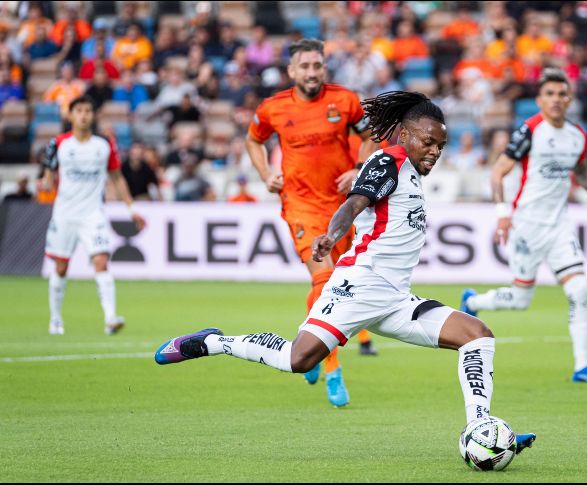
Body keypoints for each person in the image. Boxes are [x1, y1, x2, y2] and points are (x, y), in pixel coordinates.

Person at [154, 91, 538, 455]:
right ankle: (214, 342)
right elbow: (355, 203)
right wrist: (331, 236)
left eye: (440, 145)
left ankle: (481, 428)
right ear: (404, 134)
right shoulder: (388, 162)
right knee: (298, 359)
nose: (435, 151)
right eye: (427, 142)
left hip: (395, 298)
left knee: (477, 335)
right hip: (359, 286)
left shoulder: (413, 173)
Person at [245, 39, 380, 408]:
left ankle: (307, 341)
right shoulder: (273, 108)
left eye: (317, 65)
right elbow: (253, 141)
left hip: (341, 207)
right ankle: (332, 368)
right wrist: (264, 174)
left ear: (324, 68)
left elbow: (370, 136)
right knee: (324, 279)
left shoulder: (346, 101)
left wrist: (357, 169)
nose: (311, 72)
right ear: (292, 71)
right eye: (304, 66)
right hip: (300, 203)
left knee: (338, 282)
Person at [460, 69, 587, 384]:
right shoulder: (531, 130)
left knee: (579, 290)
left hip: (560, 227)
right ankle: (473, 301)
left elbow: (582, 170)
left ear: (569, 98)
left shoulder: (577, 135)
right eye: (550, 94)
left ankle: (582, 366)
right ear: (539, 100)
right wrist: (503, 214)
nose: (556, 100)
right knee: (520, 300)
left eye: (562, 94)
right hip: (527, 226)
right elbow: (497, 172)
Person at [41, 95, 146, 336]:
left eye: (88, 110)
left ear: (93, 115)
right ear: (71, 115)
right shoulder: (58, 144)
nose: (84, 115)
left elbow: (117, 178)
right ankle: (55, 319)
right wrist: (45, 184)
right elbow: (47, 177)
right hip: (65, 214)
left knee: (101, 261)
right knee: (60, 267)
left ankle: (110, 318)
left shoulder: (103, 145)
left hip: (93, 214)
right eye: (79, 110)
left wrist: (132, 208)